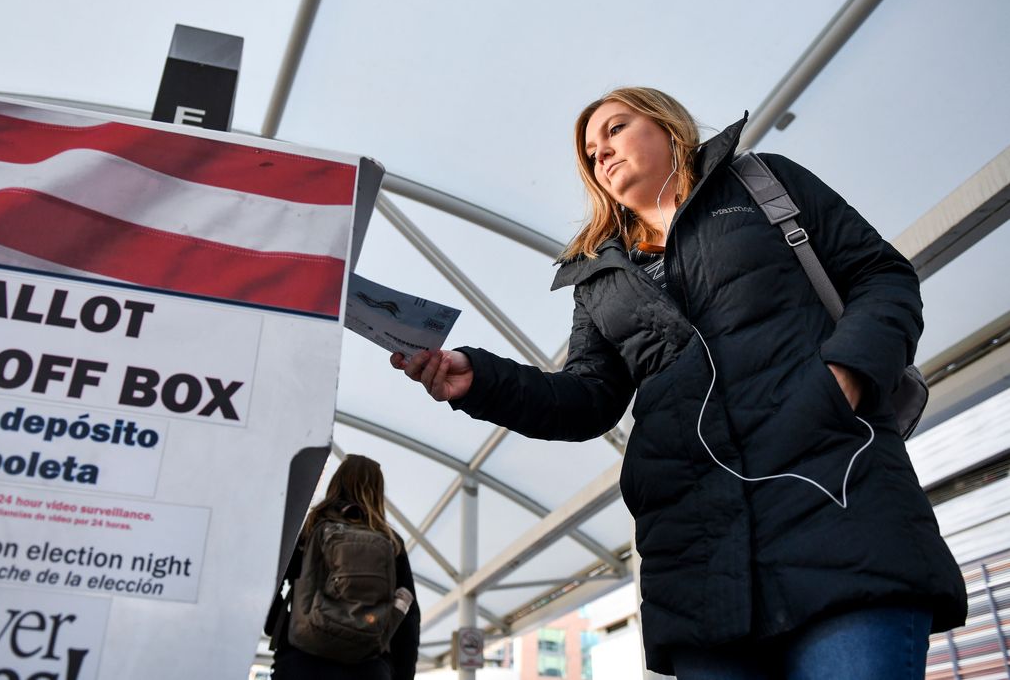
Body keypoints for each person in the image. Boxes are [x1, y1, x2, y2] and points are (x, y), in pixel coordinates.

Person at [390, 87, 966, 679]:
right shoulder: (598, 279)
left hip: (837, 504)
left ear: (667, 126)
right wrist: (479, 380)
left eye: (615, 129)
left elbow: (882, 275)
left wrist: (846, 374)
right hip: (697, 558)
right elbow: (586, 399)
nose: (601, 154)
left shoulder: (763, 184)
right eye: (589, 153)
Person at [266, 454, 421, 680]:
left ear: (336, 483)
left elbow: (273, 580)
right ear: (377, 490)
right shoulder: (390, 541)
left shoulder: (309, 528)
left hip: (302, 660)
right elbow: (409, 617)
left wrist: (278, 630)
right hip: (368, 666)